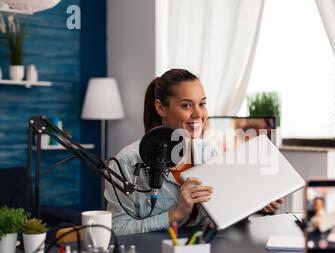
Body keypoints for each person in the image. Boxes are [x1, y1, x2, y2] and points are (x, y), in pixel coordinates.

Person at [105, 69, 282, 236]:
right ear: (161, 108)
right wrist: (175, 214)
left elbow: (224, 213)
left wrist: (256, 204)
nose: (198, 114)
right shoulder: (126, 162)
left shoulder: (209, 154)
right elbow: (116, 229)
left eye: (202, 104)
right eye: (186, 105)